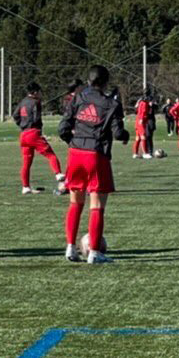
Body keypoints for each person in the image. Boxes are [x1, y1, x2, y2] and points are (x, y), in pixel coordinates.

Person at [57, 64, 127, 264]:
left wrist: (72, 142)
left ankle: (70, 247)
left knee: (75, 202)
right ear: (106, 83)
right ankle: (94, 252)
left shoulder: (78, 98)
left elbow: (63, 127)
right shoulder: (111, 104)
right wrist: (125, 136)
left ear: (88, 81)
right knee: (97, 204)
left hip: (75, 153)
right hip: (96, 155)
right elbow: (119, 132)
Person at [15, 82, 66, 194]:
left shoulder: (23, 101)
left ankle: (25, 187)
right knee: (50, 155)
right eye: (40, 91)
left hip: (23, 135)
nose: (41, 94)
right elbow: (36, 118)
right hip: (33, 133)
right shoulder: (36, 102)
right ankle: (58, 174)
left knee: (26, 163)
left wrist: (23, 124)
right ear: (35, 92)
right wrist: (37, 131)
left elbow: (15, 115)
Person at [132, 94, 156, 160]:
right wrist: (142, 119)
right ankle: (145, 153)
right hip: (141, 121)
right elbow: (143, 112)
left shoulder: (142, 103)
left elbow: (137, 111)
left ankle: (135, 153)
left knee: (138, 138)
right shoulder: (145, 104)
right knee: (143, 136)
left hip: (138, 121)